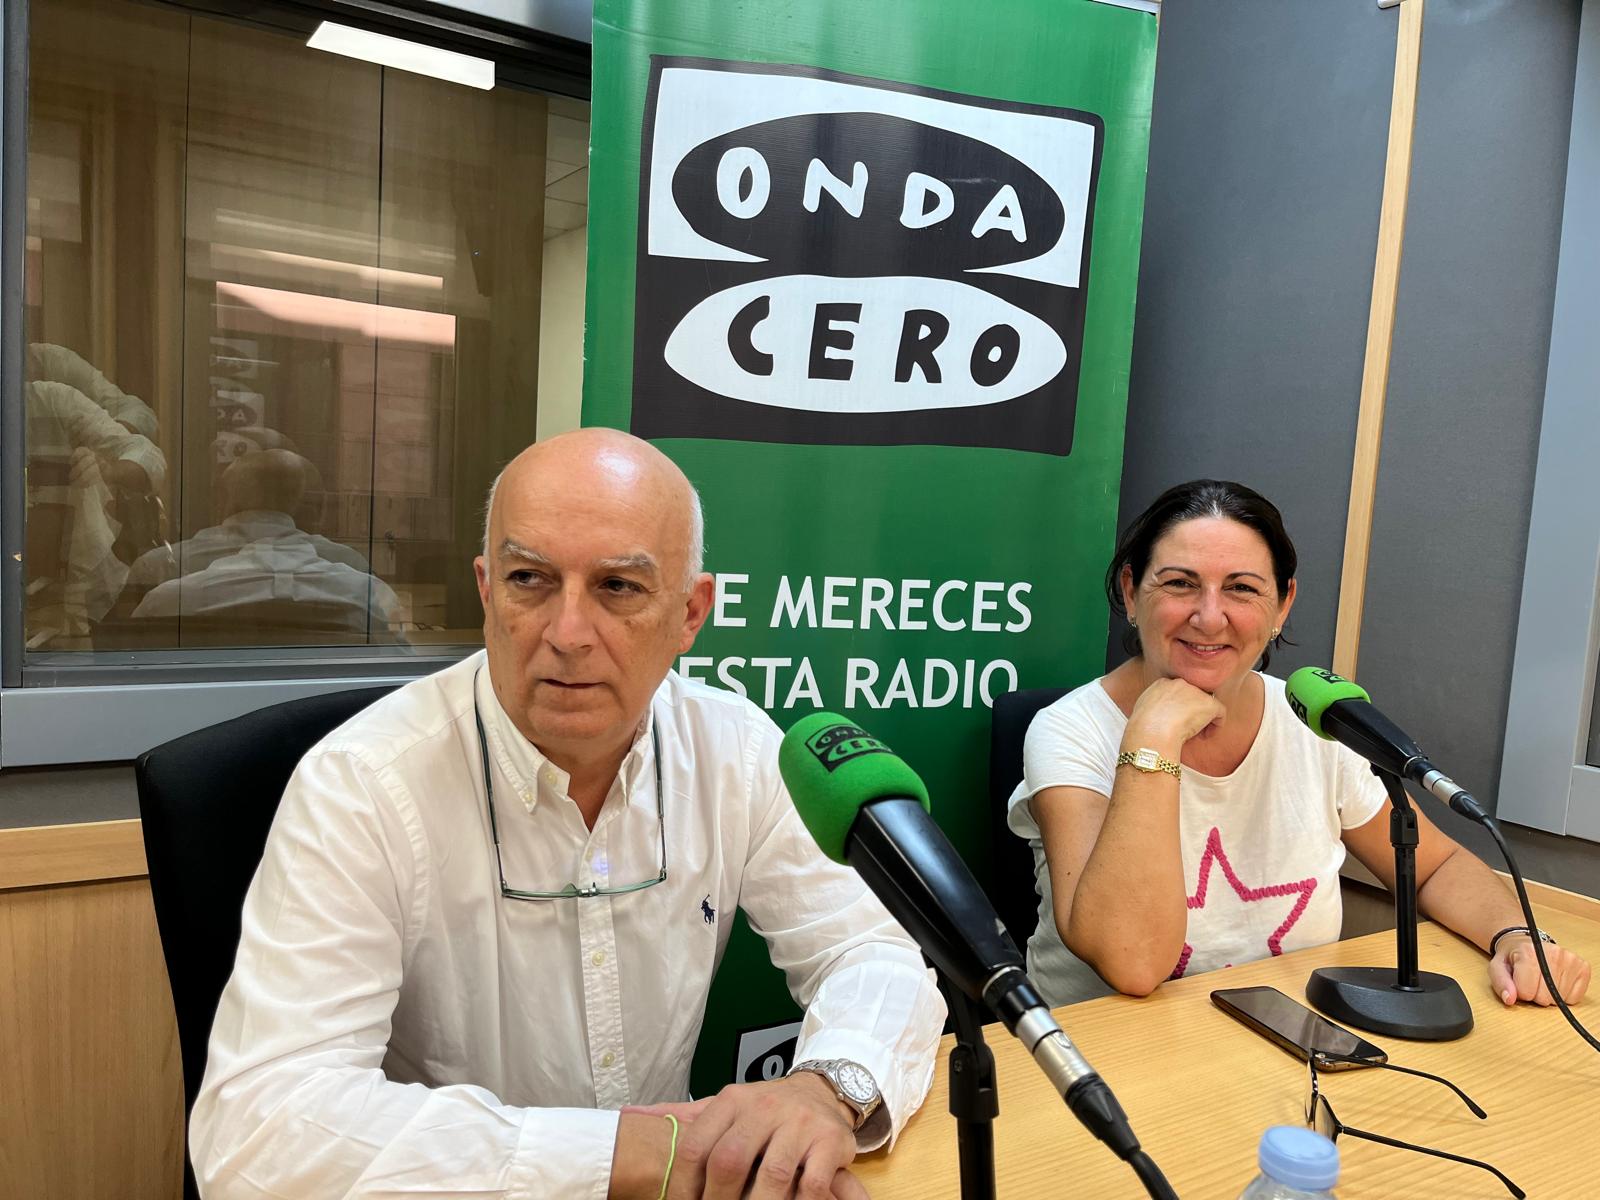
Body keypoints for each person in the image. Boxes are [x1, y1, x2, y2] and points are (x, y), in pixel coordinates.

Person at [190, 428, 945, 1199]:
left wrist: (827, 1089)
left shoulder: (736, 750)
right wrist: (633, 1153)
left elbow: (873, 952)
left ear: (690, 613)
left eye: (618, 587)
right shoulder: (362, 783)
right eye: (530, 579)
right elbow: (258, 1134)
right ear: (488, 590)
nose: (568, 634)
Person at [1007, 478, 1593, 1009]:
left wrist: (1518, 936)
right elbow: (1132, 963)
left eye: (1241, 588)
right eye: (1180, 583)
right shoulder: (1070, 730)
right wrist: (1153, 737)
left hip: (1283, 1033)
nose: (1209, 617)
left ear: (1282, 605)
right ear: (1132, 592)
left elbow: (1433, 867)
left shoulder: (1313, 721)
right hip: (1103, 1053)